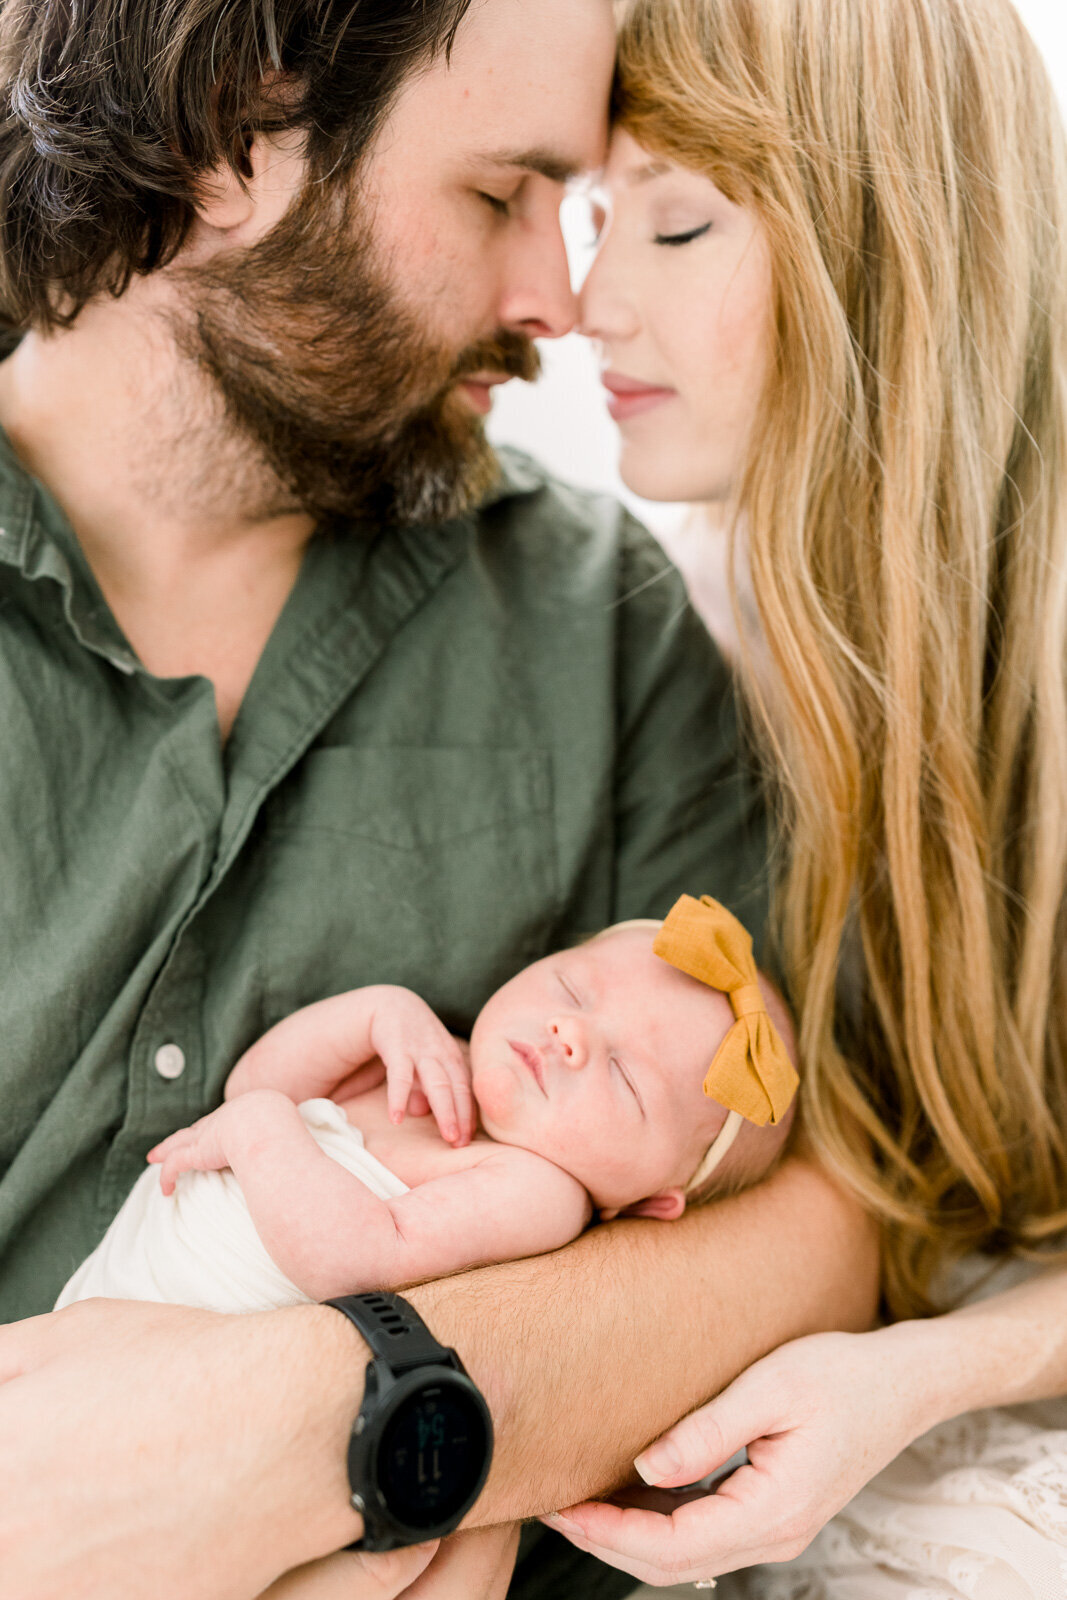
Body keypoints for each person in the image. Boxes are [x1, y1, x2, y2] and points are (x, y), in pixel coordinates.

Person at [0, 2, 880, 1596]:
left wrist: (338, 1429)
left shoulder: (592, 621)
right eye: (499, 197)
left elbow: (819, 1227)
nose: (562, 298)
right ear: (227, 139)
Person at [541, 0, 1067, 1592]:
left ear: (880, 242)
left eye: (676, 222)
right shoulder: (688, 624)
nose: (585, 304)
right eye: (588, 219)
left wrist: (914, 1376)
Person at [57, 903, 798, 1312]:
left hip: (188, 1341)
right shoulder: (427, 1057)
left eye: (627, 1081)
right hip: (106, 1299)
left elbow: (357, 1259)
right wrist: (372, 1015)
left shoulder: (537, 1191)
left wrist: (259, 1134)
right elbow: (254, 1087)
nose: (570, 1035)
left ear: (653, 1201)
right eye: (571, 991)